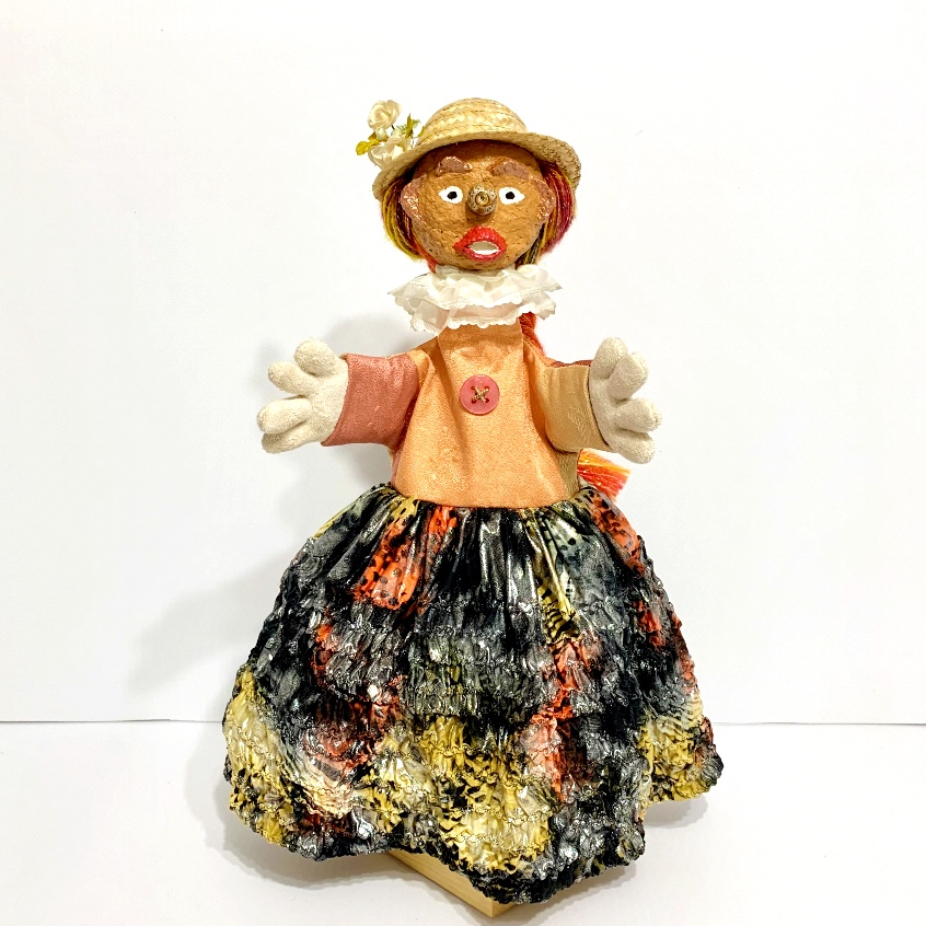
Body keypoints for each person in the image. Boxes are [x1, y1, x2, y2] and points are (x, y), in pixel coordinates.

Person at [222, 98, 722, 905]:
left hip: (540, 539)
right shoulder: (433, 354)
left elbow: (553, 397)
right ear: (414, 215)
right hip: (422, 532)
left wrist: (594, 404)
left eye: (508, 188)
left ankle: (527, 824)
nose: (482, 204)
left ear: (545, 212)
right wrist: (341, 395)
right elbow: (397, 388)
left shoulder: (525, 349)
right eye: (452, 191)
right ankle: (411, 805)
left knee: (539, 683)